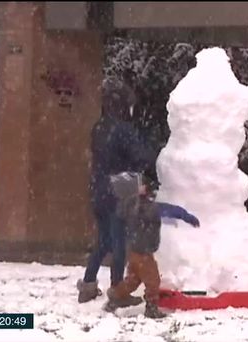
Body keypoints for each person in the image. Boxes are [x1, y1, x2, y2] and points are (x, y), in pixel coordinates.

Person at [77, 78, 158, 304]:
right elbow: (142, 157)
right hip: (118, 191)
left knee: (104, 240)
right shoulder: (123, 129)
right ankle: (117, 291)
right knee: (119, 241)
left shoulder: (99, 127)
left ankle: (88, 284)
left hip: (98, 189)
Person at [104, 172, 200, 317]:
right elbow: (172, 210)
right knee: (153, 281)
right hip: (144, 253)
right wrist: (187, 217)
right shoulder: (152, 208)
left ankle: (115, 297)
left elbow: (120, 213)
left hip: (133, 250)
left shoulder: (131, 204)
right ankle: (151, 308)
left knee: (133, 281)